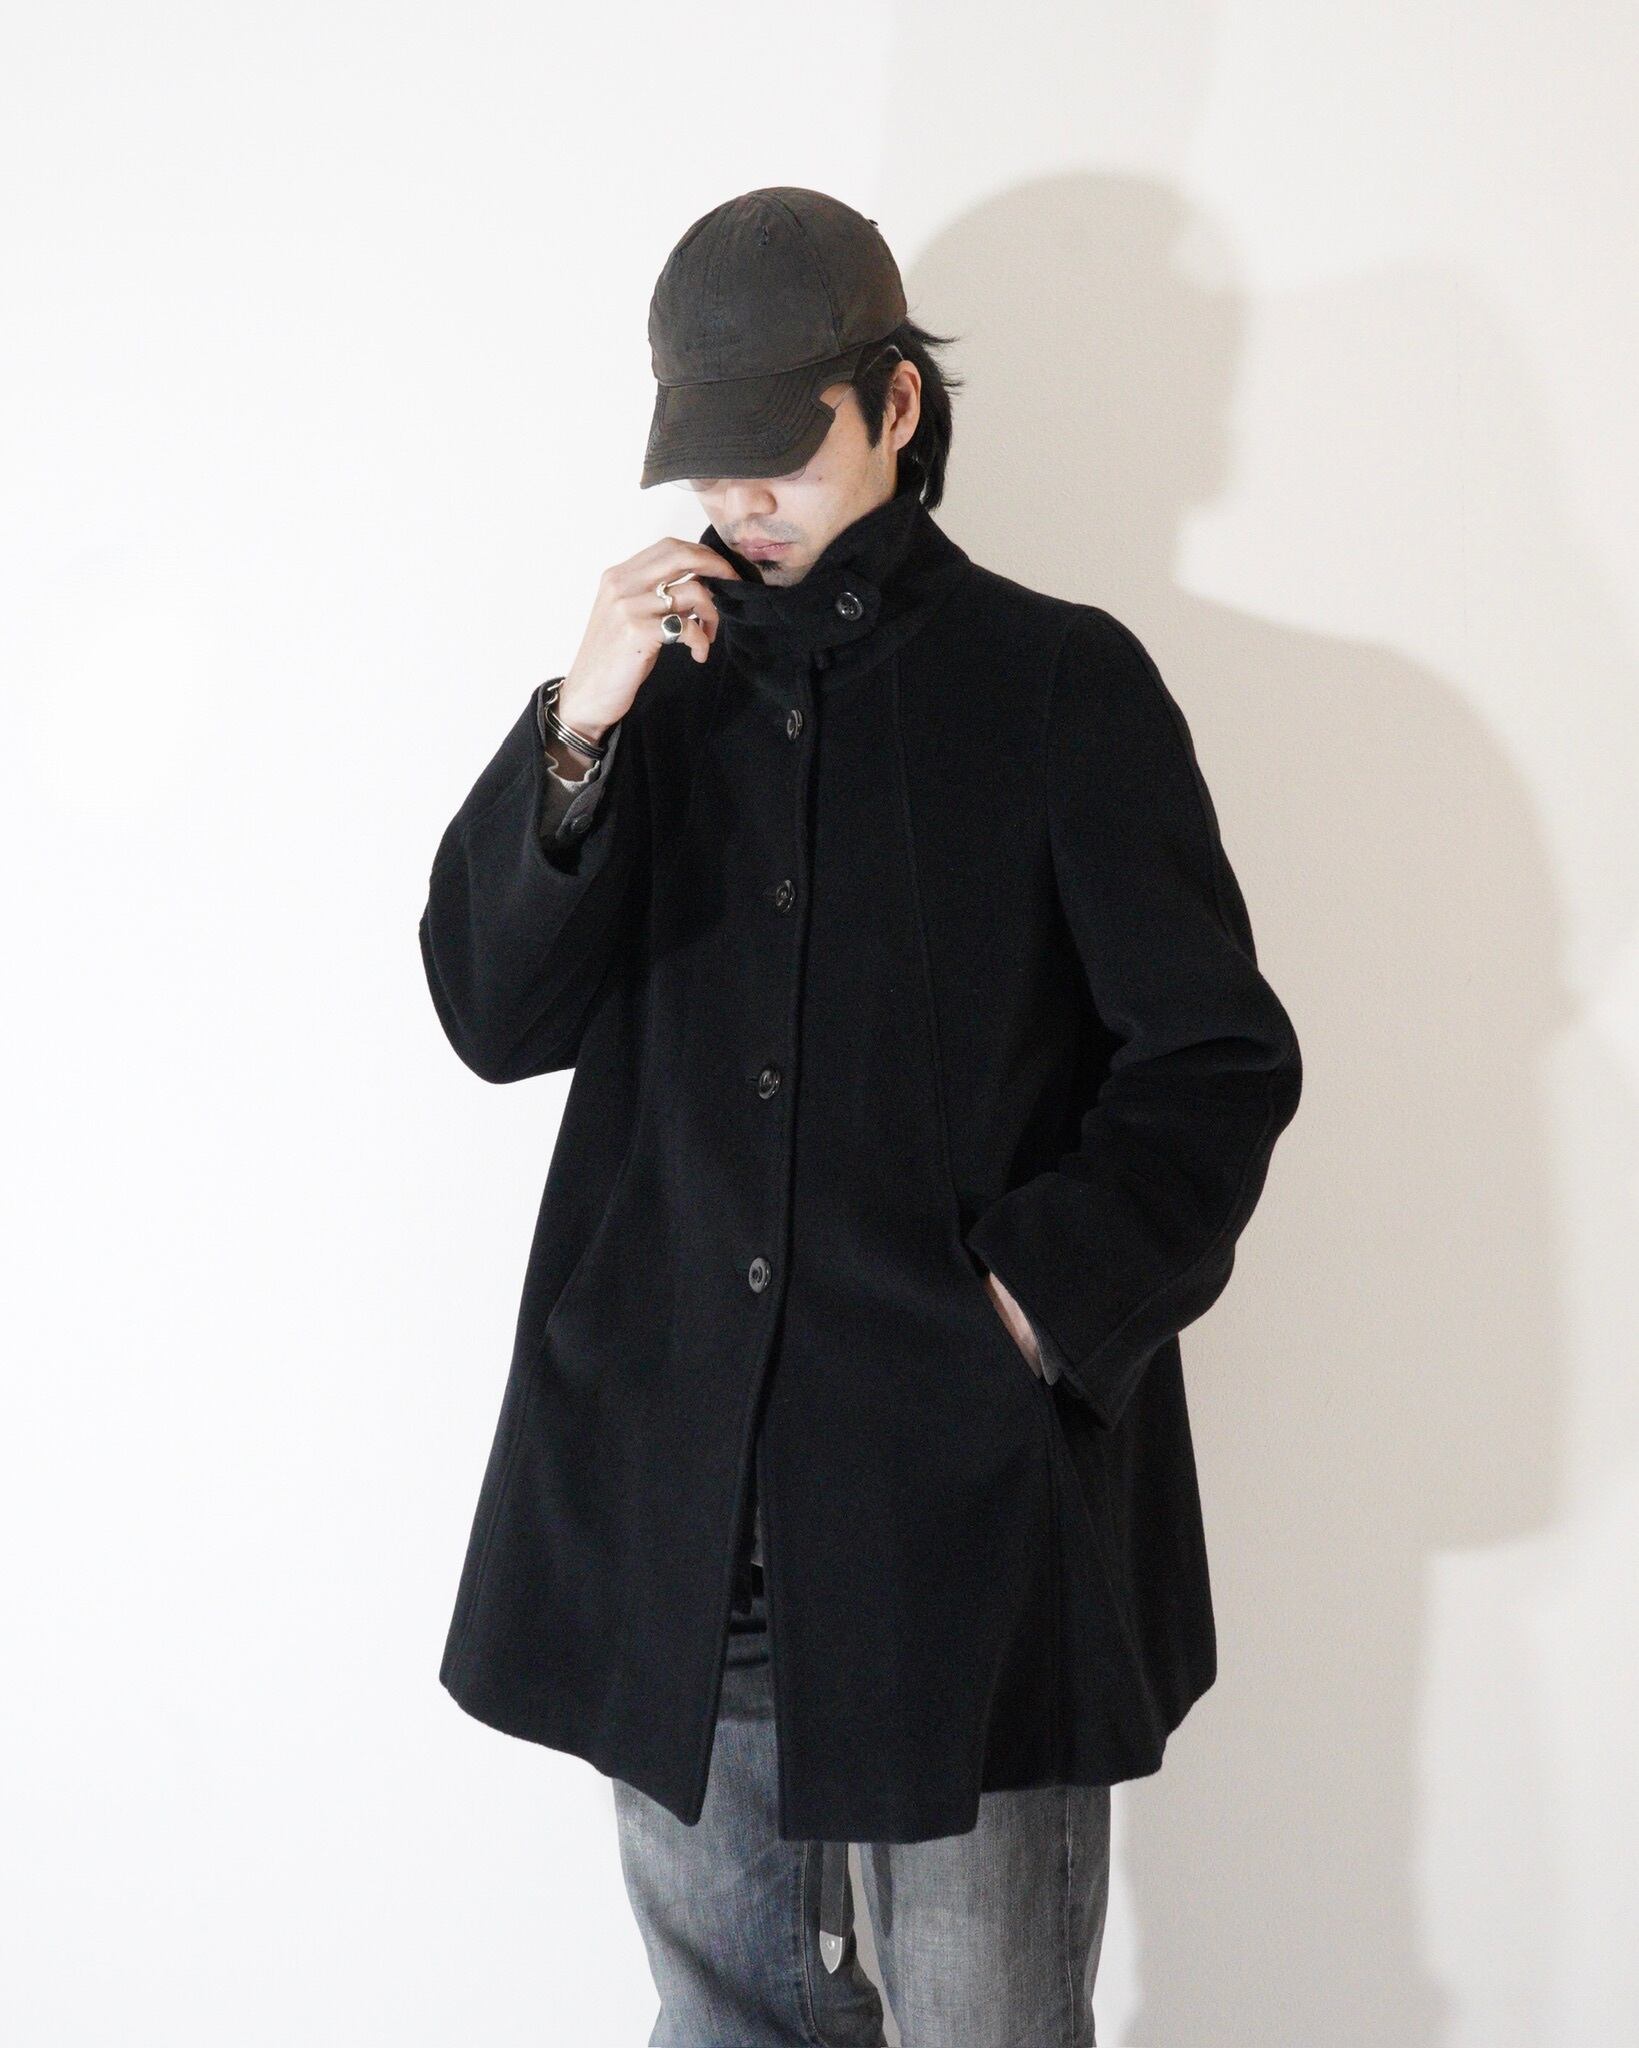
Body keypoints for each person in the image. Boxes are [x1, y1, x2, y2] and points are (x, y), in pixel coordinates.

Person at [418, 186, 1303, 2046]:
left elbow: (1215, 1066)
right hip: (679, 1511)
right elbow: (494, 1018)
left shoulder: (1059, 684)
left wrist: (1025, 1316)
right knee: (725, 2020)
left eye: (784, 445)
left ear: (898, 405)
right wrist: (578, 723)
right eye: (710, 460)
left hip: (956, 1517)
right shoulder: (652, 700)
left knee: (988, 2018)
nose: (743, 500)